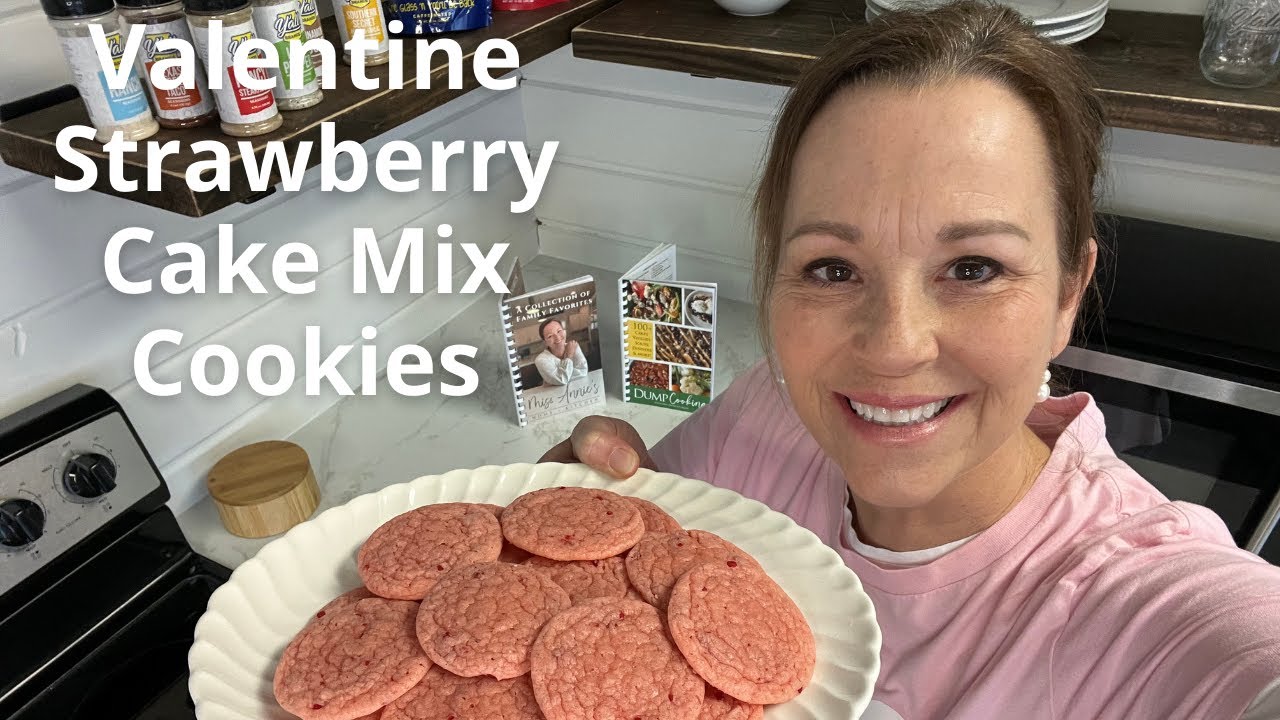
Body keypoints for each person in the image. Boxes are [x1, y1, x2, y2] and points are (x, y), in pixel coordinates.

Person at [539, 2, 1280, 718]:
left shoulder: (1136, 602)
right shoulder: (764, 417)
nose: (894, 348)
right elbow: (643, 553)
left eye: (973, 268)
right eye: (832, 268)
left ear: (1067, 294)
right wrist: (569, 535)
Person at [534, 316, 589, 386]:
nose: (557, 337)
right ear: (545, 342)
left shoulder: (574, 346)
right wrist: (569, 356)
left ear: (564, 332)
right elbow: (562, 380)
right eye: (550, 336)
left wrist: (560, 377)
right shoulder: (540, 360)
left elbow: (583, 371)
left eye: (559, 331)